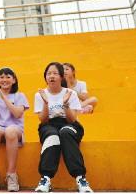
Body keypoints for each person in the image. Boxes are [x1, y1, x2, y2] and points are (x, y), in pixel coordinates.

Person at [33, 62, 93, 193]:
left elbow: (72, 119)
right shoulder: (40, 94)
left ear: (61, 77)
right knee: (52, 136)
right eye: (49, 73)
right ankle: (46, 179)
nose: (51, 76)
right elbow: (43, 120)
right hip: (49, 125)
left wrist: (65, 104)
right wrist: (45, 102)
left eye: (55, 73)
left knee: (65, 132)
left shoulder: (70, 93)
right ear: (45, 77)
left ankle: (80, 178)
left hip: (69, 123)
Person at [0, 68, 29, 192]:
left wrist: (3, 97)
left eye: (8, 77)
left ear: (14, 80)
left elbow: (18, 114)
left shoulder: (20, 95)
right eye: (1, 77)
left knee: (10, 131)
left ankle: (12, 175)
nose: (4, 79)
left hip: (15, 128)